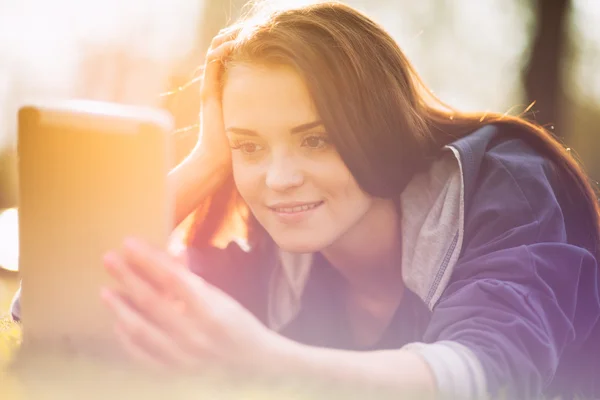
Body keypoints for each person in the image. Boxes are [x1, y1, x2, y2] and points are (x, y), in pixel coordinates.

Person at [11, 2, 600, 399]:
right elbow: (57, 304)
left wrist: (261, 355)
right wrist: (207, 161)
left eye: (315, 138)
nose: (279, 179)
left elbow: (490, 377)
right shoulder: (274, 252)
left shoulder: (505, 186)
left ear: (377, 124)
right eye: (251, 146)